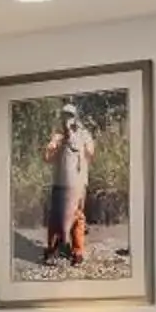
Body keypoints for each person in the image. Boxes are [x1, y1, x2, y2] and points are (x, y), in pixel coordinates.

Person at [41, 100, 99, 264]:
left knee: (78, 215)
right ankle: (53, 249)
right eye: (64, 115)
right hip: (60, 183)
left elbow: (91, 155)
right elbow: (47, 157)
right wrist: (59, 145)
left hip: (78, 184)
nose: (67, 119)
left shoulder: (84, 135)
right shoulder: (57, 136)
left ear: (76, 117)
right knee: (55, 217)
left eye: (70, 115)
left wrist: (81, 146)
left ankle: (77, 251)